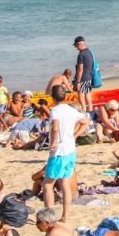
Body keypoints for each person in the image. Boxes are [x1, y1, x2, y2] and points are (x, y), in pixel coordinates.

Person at [43, 84, 87, 223]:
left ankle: (48, 217)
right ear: (66, 96)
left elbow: (55, 128)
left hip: (59, 151)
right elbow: (86, 121)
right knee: (65, 184)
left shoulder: (55, 110)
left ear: (52, 97)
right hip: (70, 150)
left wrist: (53, 143)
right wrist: (75, 135)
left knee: (48, 184)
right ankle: (65, 216)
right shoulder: (71, 109)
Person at [73, 36, 95, 112]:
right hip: (89, 77)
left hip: (82, 79)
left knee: (81, 97)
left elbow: (80, 70)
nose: (76, 48)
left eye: (75, 45)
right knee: (88, 96)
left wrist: (78, 82)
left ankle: (84, 112)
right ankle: (91, 112)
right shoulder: (89, 52)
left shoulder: (81, 55)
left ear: (79, 44)